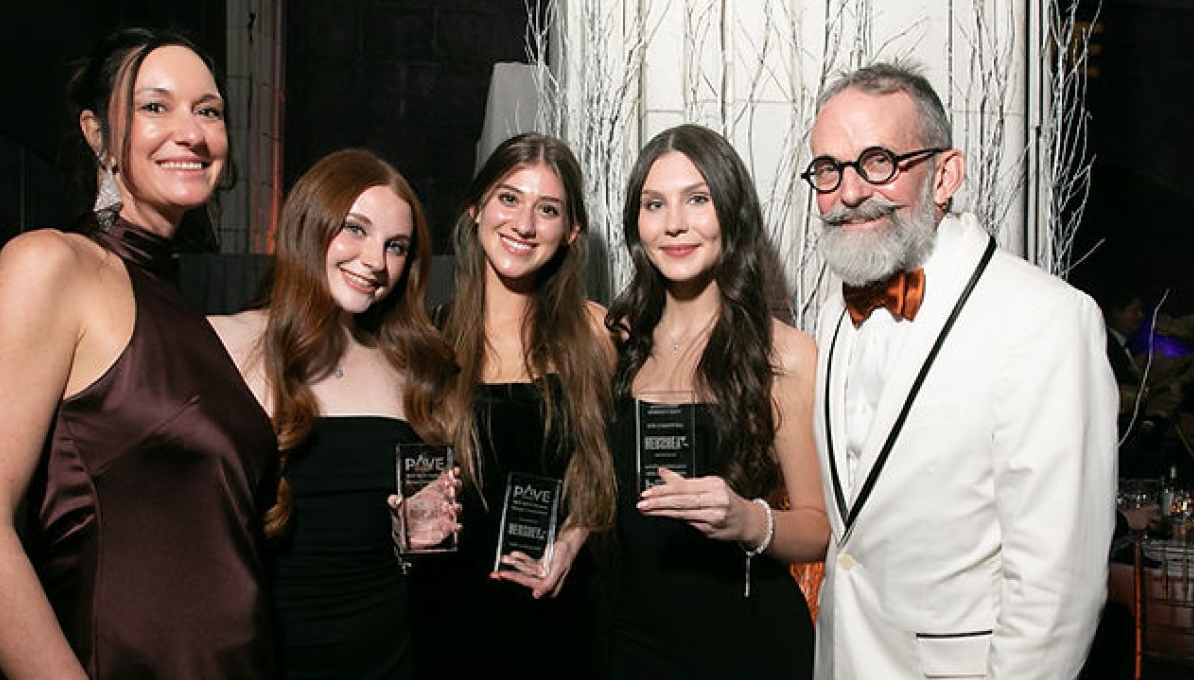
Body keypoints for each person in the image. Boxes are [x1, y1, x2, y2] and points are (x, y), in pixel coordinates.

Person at [0, 27, 279, 678]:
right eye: (155, 106)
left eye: (209, 110)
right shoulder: (51, 266)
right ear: (96, 133)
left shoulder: (181, 310)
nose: (191, 131)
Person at [801, 61, 1117, 679]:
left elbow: (1056, 589)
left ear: (945, 174)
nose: (849, 191)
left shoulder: (1046, 319)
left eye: (879, 162)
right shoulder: (835, 316)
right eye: (828, 169)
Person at [210, 148, 455, 679]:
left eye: (396, 247)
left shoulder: (406, 366)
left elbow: (406, 549)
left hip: (386, 656)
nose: (375, 261)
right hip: (259, 658)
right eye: (355, 229)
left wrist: (415, 531)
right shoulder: (221, 345)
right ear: (308, 222)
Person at [600, 123, 828, 679]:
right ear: (637, 223)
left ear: (731, 212)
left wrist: (748, 520)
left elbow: (819, 528)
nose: (674, 223)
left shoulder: (786, 354)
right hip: (630, 643)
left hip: (745, 645)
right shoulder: (615, 342)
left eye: (697, 199)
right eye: (655, 204)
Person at [408, 133, 615, 679]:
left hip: (560, 625)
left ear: (570, 232)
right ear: (476, 209)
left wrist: (576, 535)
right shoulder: (426, 340)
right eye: (508, 199)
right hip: (447, 624)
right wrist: (403, 521)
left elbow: (619, 469)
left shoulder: (598, 335)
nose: (523, 224)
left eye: (546, 209)